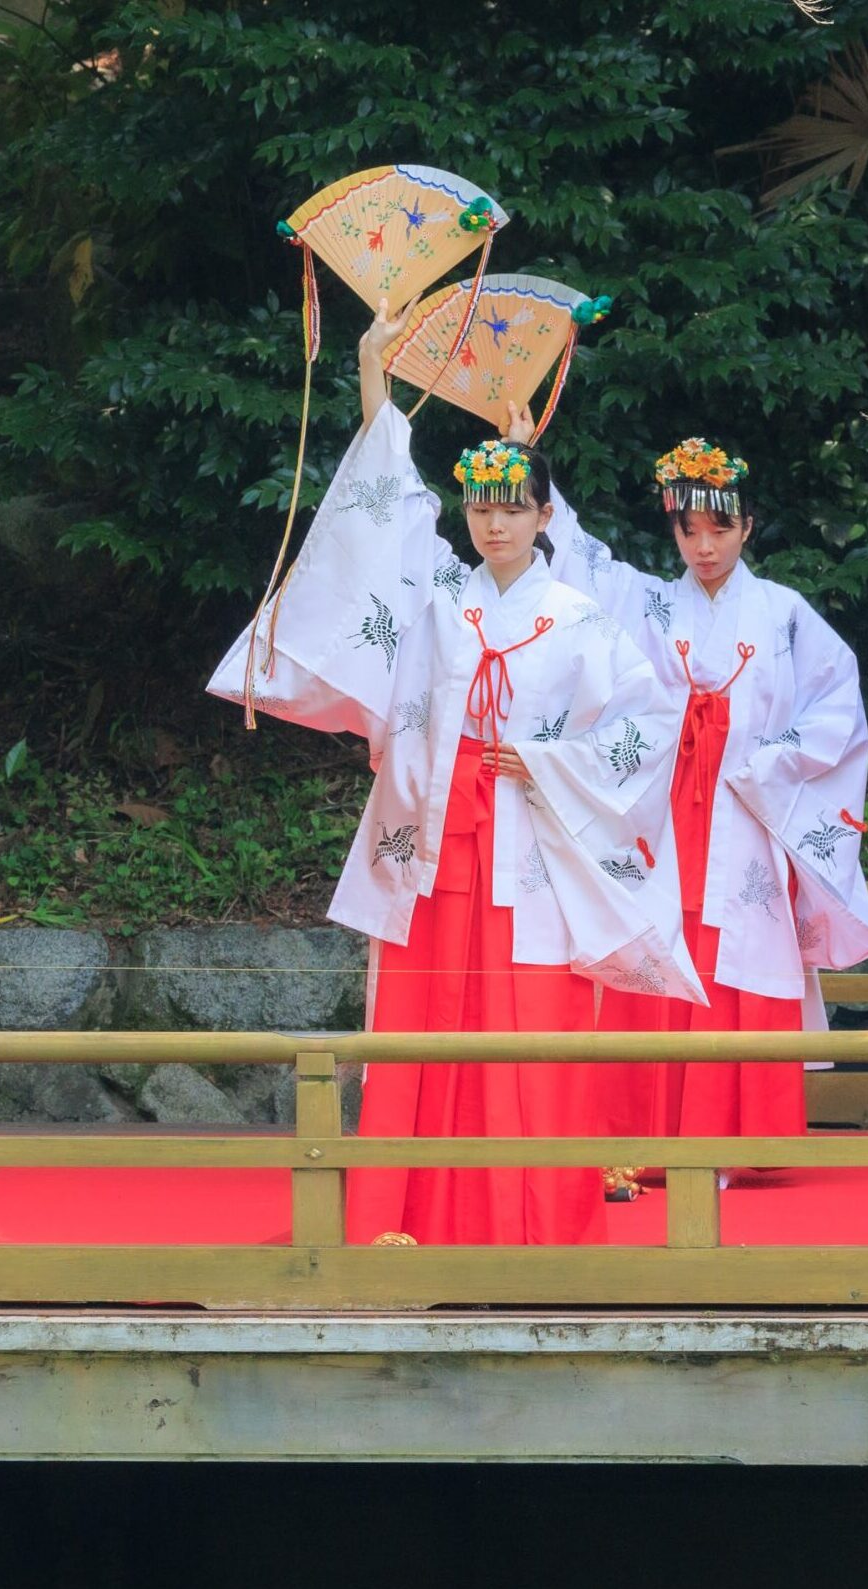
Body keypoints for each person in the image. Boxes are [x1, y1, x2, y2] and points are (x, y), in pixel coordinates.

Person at [206, 301, 703, 1246]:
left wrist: (553, 763)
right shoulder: (439, 597)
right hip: (436, 842)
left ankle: (534, 1227)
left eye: (514, 506)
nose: (495, 522)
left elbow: (650, 724)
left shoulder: (583, 618)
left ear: (546, 515)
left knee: (532, 1033)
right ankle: (405, 1218)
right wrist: (373, 375)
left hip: (537, 849)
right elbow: (389, 514)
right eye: (481, 505)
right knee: (422, 1024)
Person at [540, 426, 868, 1157]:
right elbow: (582, 560)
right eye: (689, 531)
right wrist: (531, 462)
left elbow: (836, 704)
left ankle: (738, 1143)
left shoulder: (784, 613)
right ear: (674, 530)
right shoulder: (648, 603)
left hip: (743, 806)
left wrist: (771, 761)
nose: (704, 547)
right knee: (661, 950)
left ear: (748, 528)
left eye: (720, 530)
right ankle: (642, 1139)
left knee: (737, 953)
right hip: (664, 809)